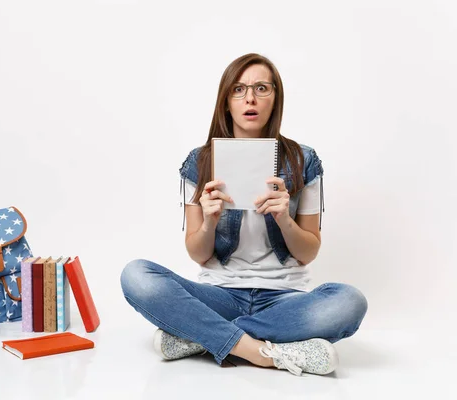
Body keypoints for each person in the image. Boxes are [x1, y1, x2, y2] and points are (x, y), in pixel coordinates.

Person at [120, 53, 368, 376]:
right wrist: (208, 222)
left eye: (261, 88)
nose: (250, 98)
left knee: (350, 302)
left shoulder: (303, 161)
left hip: (283, 300)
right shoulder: (200, 162)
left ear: (275, 98)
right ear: (226, 101)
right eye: (239, 89)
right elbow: (198, 253)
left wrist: (285, 219)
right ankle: (263, 351)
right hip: (220, 294)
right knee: (136, 276)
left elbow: (308, 252)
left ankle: (200, 336)